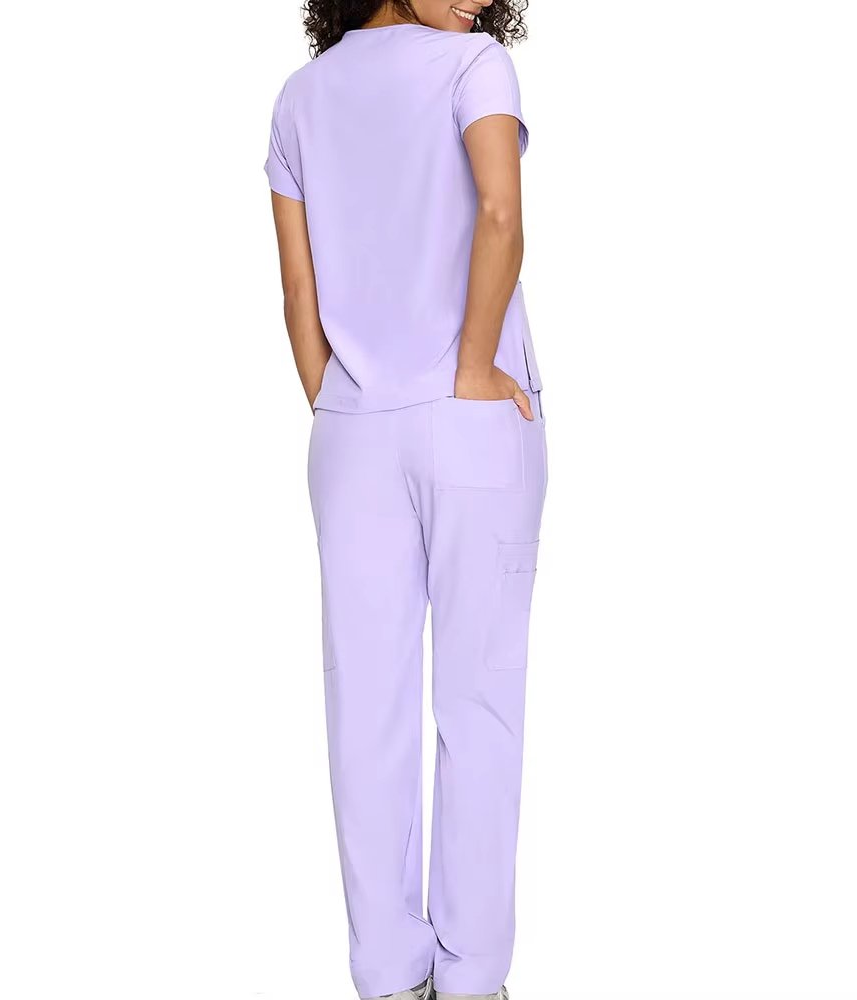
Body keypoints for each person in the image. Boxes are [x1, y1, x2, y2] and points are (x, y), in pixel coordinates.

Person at [265, 2, 544, 998]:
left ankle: (389, 976)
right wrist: (470, 364)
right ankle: (472, 980)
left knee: (365, 707)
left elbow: (299, 296)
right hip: (473, 421)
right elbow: (500, 212)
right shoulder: (475, 69)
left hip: (351, 430)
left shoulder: (300, 98)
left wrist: (340, 401)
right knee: (479, 701)